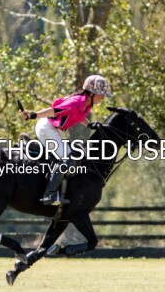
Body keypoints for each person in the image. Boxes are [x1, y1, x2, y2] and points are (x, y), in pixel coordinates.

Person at [19, 74, 113, 205]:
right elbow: (54, 111)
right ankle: (49, 194)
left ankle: (37, 148)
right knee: (68, 159)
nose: (103, 97)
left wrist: (90, 125)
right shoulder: (75, 102)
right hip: (46, 127)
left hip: (53, 129)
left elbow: (79, 117)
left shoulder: (86, 104)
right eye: (101, 94)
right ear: (91, 93)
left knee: (73, 156)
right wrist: (32, 115)